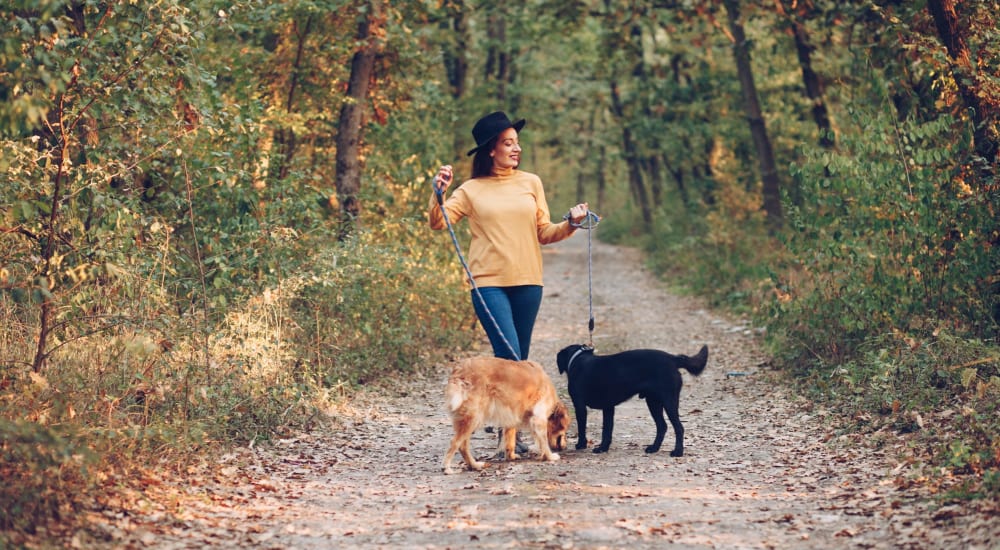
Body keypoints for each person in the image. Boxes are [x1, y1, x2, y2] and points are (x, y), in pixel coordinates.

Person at [429, 111, 589, 363]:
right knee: (509, 355)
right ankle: (500, 401)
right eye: (508, 143)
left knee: (519, 361)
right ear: (491, 150)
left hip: (529, 282)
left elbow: (544, 233)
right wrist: (439, 193)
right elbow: (439, 222)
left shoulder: (531, 182)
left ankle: (511, 404)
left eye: (517, 142)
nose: (517, 148)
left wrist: (571, 223)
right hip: (488, 284)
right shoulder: (470, 190)